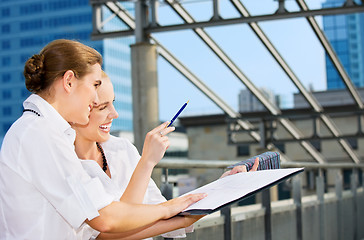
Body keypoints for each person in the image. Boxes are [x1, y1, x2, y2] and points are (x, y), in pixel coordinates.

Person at [0, 39, 206, 240]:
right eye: (95, 84)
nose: (95, 99)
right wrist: (169, 208)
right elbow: (105, 220)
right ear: (69, 81)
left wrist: (187, 212)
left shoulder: (43, 131)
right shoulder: (39, 134)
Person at [72, 72, 260, 239]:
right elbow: (116, 230)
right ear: (78, 108)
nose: (115, 114)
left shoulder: (123, 149)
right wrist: (147, 162)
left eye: (113, 103)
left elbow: (162, 210)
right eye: (102, 107)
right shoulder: (65, 164)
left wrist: (221, 188)